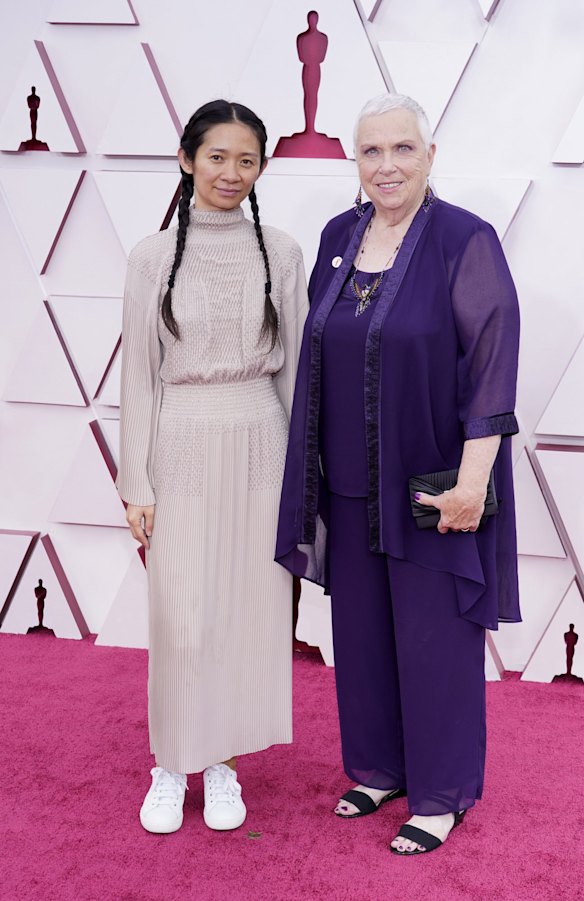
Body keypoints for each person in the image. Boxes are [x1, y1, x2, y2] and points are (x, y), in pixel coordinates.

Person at [276, 93, 521, 855]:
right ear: (356, 161)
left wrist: (474, 483)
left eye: (402, 149)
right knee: (364, 634)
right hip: (347, 481)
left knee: (436, 639)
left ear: (429, 154)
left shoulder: (463, 239)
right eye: (371, 151)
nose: (386, 165)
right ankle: (380, 767)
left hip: (431, 484)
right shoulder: (338, 236)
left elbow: (491, 365)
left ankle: (442, 791)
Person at [117, 100, 308, 834]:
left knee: (247, 615)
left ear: (262, 167)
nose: (231, 172)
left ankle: (223, 761)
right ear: (187, 158)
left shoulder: (282, 253)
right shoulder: (151, 256)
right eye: (218, 157)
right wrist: (135, 480)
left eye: (246, 160)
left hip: (263, 436)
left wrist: (303, 478)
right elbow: (138, 374)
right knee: (182, 619)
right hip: (183, 440)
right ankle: (171, 762)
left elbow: (298, 376)